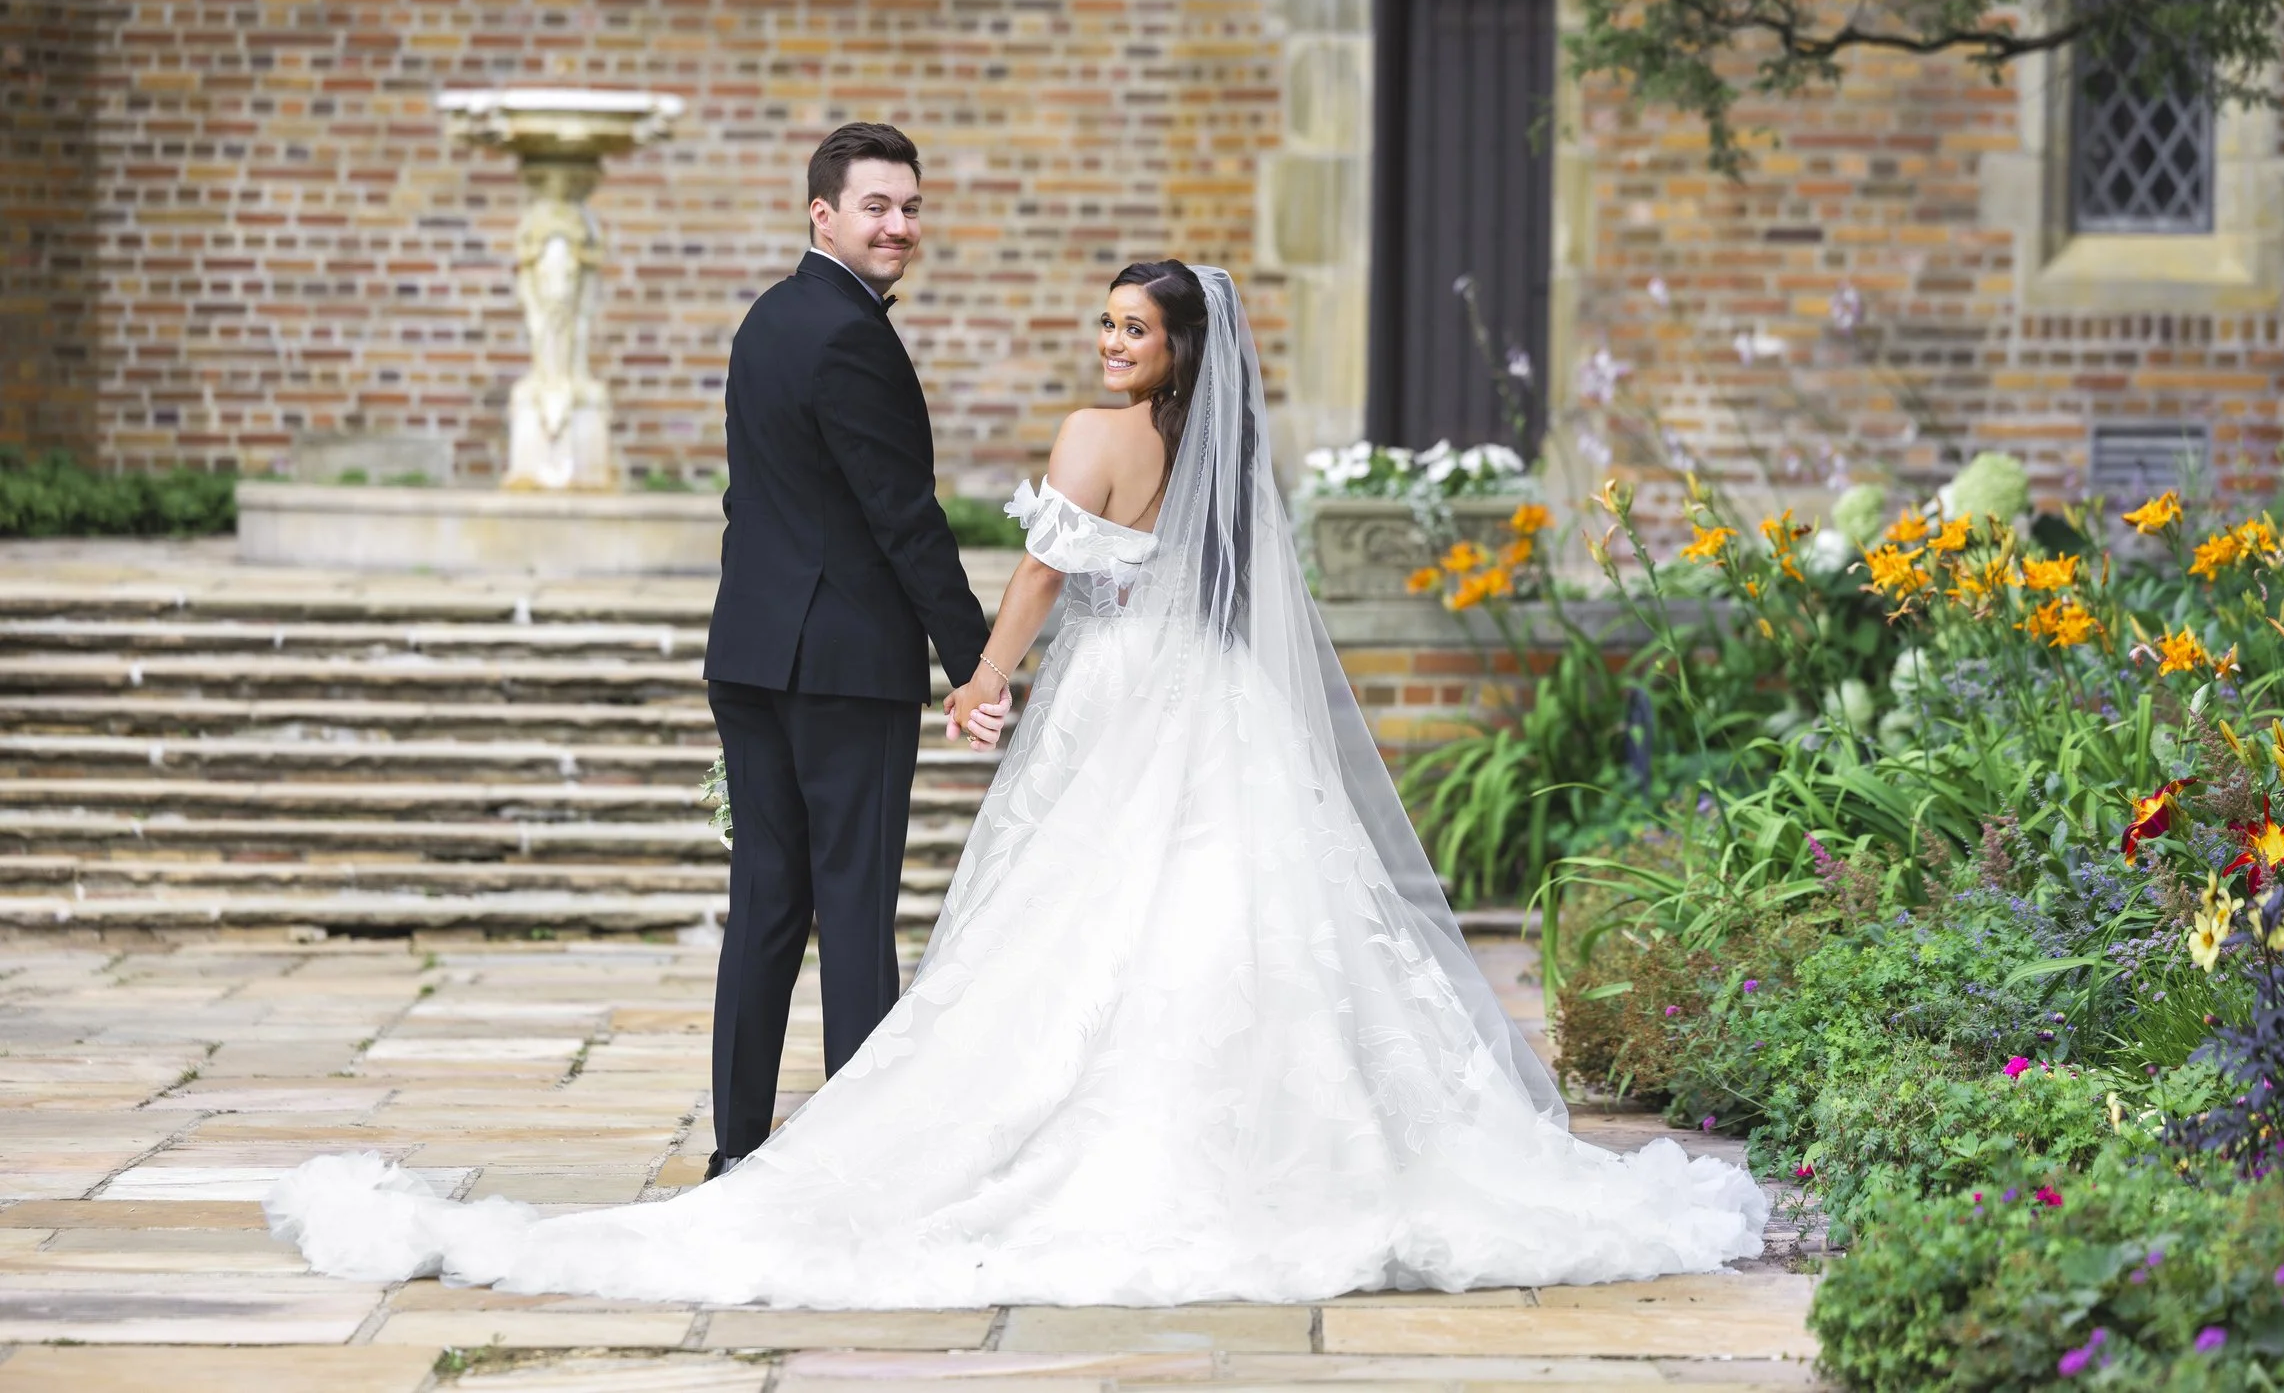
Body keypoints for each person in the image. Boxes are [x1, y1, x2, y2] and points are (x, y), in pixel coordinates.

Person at [266, 260, 1768, 1306]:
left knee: (1082, 924)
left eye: (1134, 330)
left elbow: (1045, 580)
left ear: (1179, 351)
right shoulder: (1224, 457)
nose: (1112, 344)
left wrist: (980, 684)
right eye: (1106, 326)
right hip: (1220, 704)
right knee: (1236, 913)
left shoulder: (1096, 437)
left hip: (1118, 701)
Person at [691, 120, 1008, 1180]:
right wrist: (976, 663)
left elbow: (760, 498)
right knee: (857, 909)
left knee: (768, 910)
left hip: (752, 652)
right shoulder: (849, 335)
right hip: (843, 664)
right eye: (878, 205)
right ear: (821, 212)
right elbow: (901, 517)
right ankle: (856, 1165)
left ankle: (738, 1150)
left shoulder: (767, 319)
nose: (900, 225)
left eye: (912, 207)